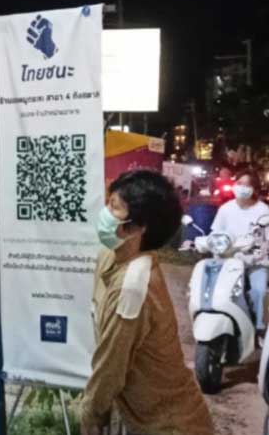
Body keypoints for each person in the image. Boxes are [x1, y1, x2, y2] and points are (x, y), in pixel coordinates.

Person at [81, 170, 214, 435]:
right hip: (144, 419)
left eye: (114, 208)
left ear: (138, 227)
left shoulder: (133, 286)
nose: (105, 213)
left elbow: (111, 366)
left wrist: (91, 413)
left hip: (172, 426)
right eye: (109, 203)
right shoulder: (111, 255)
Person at [211, 168, 269, 335]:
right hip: (229, 260)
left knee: (258, 291)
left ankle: (259, 329)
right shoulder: (226, 209)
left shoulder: (264, 211)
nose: (242, 187)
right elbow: (215, 233)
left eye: (247, 185)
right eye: (239, 183)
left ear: (255, 189)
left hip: (255, 262)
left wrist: (259, 251)